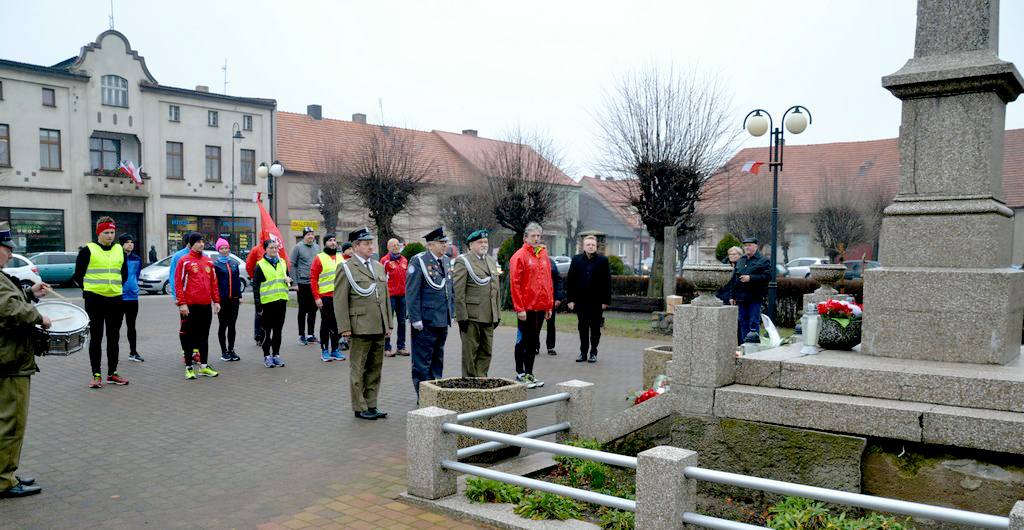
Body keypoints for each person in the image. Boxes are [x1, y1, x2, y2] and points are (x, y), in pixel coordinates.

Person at [0, 221, 50, 498]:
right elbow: (7, 308)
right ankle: (3, 480)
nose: (9, 254)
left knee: (6, 420)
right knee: (11, 422)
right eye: (6, 249)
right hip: (9, 360)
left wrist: (31, 294)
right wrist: (37, 316)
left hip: (8, 357)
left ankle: (4, 471)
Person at [334, 228, 391, 420]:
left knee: (375, 367)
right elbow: (340, 300)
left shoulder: (377, 266)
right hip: (359, 326)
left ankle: (372, 403)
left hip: (378, 325)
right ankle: (360, 406)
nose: (370, 246)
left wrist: (388, 324)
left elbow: (385, 297)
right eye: (366, 243)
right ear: (355, 246)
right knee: (358, 368)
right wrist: (345, 328)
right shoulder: (346, 267)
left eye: (371, 243)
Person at [73, 216, 129, 388]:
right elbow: (78, 276)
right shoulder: (88, 250)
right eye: (106, 232)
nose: (110, 235)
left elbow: (124, 274)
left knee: (114, 338)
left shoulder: (119, 249)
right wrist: (90, 291)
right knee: (96, 338)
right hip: (94, 300)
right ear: (99, 233)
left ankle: (112, 372)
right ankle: (96, 374)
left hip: (115, 300)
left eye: (112, 232)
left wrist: (114, 288)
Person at [406, 227, 455, 397]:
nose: (445, 245)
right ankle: (424, 395)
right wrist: (415, 318)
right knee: (422, 362)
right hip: (425, 321)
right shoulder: (418, 261)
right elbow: (412, 292)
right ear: (430, 245)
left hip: (442, 319)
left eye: (445, 242)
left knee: (437, 359)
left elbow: (450, 290)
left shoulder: (447, 261)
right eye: (441, 242)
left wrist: (451, 312)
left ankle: (436, 391)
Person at [508, 222, 552, 389]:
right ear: (525, 237)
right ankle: (520, 373)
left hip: (540, 308)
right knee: (523, 341)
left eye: (538, 236)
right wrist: (520, 308)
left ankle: (530, 373)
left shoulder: (543, 256)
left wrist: (548, 306)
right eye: (532, 236)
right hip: (526, 309)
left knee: (534, 342)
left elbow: (548, 282)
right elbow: (515, 284)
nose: (535, 239)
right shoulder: (519, 256)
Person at [453, 229, 501, 377]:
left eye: (485, 242)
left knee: (486, 351)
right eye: (480, 242)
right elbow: (459, 292)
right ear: (471, 245)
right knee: (470, 353)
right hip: (472, 316)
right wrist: (462, 317)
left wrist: (497, 314)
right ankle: (469, 384)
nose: (484, 245)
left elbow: (495, 290)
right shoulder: (463, 261)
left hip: (489, 315)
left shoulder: (491, 261)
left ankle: (481, 380)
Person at [174, 232, 221, 380]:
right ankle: (189, 367)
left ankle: (204, 367)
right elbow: (178, 283)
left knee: (204, 337)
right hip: (190, 306)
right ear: (191, 244)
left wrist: (216, 301)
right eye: (198, 242)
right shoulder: (184, 261)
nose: (201, 244)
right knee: (189, 336)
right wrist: (182, 304)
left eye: (203, 241)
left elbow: (214, 283)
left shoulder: (208, 261)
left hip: (205, 305)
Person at [566, 235, 612, 363]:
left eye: (592, 244)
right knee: (582, 327)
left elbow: (607, 282)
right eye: (588, 244)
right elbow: (571, 281)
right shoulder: (576, 260)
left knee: (595, 328)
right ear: (583, 247)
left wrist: (605, 301)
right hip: (581, 301)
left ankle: (593, 351)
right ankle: (583, 352)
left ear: (596, 246)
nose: (590, 246)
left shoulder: (603, 261)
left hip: (597, 301)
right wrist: (570, 300)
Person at [253, 239, 291, 368]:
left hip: (280, 301)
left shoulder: (282, 263)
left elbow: (287, 279)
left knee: (278, 330)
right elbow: (256, 287)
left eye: (276, 248)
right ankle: (267, 356)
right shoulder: (260, 265)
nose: (274, 250)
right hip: (267, 303)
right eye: (271, 248)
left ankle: (276, 355)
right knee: (266, 331)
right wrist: (258, 305)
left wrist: (288, 280)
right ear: (266, 249)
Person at [311, 233, 344, 362]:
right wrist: (316, 297)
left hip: (339, 297)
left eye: (335, 240)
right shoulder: (319, 258)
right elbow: (313, 279)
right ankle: (325, 350)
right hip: (325, 297)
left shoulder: (341, 258)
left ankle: (335, 349)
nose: (333, 243)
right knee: (326, 323)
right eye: (330, 240)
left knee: (336, 324)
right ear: (325, 243)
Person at [733, 237, 771, 343]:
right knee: (742, 321)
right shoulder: (741, 260)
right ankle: (745, 343)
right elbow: (734, 279)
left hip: (754, 296)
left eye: (749, 245)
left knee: (753, 322)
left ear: (755, 246)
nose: (747, 248)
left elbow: (767, 276)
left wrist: (751, 278)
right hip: (741, 297)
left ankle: (754, 343)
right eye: (745, 246)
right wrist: (732, 295)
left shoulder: (763, 260)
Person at [290, 226, 321, 346]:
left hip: (314, 283)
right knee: (303, 310)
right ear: (304, 236)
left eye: (312, 234)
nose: (310, 236)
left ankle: (311, 335)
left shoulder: (317, 247)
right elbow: (292, 264)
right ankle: (301, 335)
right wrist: (295, 283)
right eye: (308, 234)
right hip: (302, 283)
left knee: (313, 309)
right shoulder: (298, 247)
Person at [168, 240, 198, 364]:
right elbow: (173, 277)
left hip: (200, 299)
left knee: (198, 328)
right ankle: (186, 353)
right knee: (186, 327)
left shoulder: (203, 256)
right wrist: (177, 297)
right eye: (197, 241)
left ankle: (196, 353)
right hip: (185, 299)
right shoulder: (179, 256)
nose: (201, 244)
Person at [213, 238, 242, 362]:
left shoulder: (234, 263)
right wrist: (216, 300)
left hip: (234, 299)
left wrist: (239, 296)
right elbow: (214, 284)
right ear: (218, 250)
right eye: (222, 248)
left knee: (232, 325)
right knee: (223, 325)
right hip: (222, 299)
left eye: (226, 248)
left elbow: (237, 281)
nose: (224, 250)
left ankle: (231, 349)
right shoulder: (215, 265)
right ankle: (223, 351)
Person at [380, 238, 409, 357]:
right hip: (390, 296)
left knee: (402, 322)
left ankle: (401, 347)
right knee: (388, 322)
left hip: (402, 296)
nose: (396, 247)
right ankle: (387, 347)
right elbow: (381, 278)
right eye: (393, 245)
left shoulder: (404, 259)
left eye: (398, 245)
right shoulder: (385, 261)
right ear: (388, 247)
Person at [119, 234, 144, 363]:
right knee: (115, 327)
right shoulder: (117, 258)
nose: (130, 244)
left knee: (131, 326)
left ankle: (133, 352)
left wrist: (133, 287)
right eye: (127, 242)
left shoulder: (137, 259)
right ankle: (114, 353)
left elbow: (136, 275)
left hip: (133, 297)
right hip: (118, 297)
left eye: (132, 242)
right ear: (121, 244)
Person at [716, 246, 743, 344]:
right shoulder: (724, 266)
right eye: (730, 254)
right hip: (724, 295)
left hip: (737, 297)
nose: (732, 256)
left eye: (734, 254)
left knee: (738, 321)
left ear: (739, 255)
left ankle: (739, 341)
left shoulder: (742, 265)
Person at [540, 255, 564, 356]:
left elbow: (558, 280)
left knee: (551, 325)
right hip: (538, 300)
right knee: (537, 325)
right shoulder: (532, 262)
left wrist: (558, 298)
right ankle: (535, 346)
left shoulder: (551, 263)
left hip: (550, 299)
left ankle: (550, 346)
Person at [245, 242, 265, 346]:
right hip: (259, 285)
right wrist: (254, 277)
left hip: (271, 289)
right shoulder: (256, 249)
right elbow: (249, 265)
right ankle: (258, 335)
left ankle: (267, 335)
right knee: (259, 312)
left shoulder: (276, 248)